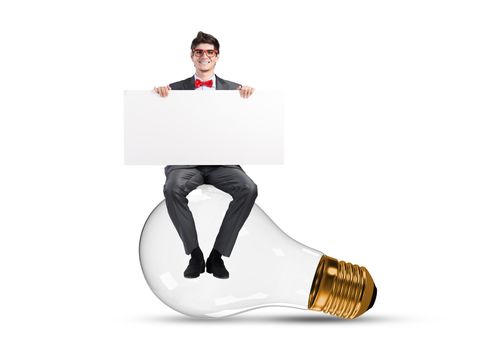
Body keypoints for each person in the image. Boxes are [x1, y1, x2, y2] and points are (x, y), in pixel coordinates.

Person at [153, 31, 257, 279]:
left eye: (209, 52)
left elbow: (251, 126)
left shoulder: (236, 90)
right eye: (199, 51)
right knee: (172, 188)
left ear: (217, 56)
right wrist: (155, 99)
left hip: (222, 164)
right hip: (186, 165)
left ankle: (217, 255)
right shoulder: (172, 90)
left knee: (248, 188)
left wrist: (252, 99)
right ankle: (195, 254)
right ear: (192, 56)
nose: (204, 56)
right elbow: (155, 124)